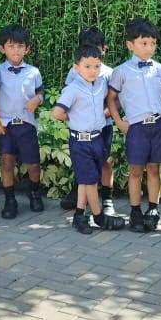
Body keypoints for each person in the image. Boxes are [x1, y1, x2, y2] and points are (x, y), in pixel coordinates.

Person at [53, 44, 127, 234]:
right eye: (87, 66)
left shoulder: (101, 84)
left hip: (97, 138)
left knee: (86, 180)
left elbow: (113, 99)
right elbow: (57, 113)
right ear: (76, 68)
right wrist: (75, 118)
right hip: (80, 141)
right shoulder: (73, 89)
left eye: (96, 66)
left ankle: (79, 215)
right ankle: (98, 216)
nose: (92, 70)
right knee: (91, 181)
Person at [106, 18, 161, 233]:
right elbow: (111, 98)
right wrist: (119, 121)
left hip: (158, 125)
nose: (149, 48)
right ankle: (134, 211)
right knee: (135, 170)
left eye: (153, 43)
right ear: (130, 45)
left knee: (154, 168)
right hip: (136, 127)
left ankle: (153, 209)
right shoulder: (121, 71)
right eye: (144, 43)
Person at [0, 24, 45, 218]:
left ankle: (34, 191)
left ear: (27, 49)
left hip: (26, 124)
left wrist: (38, 99)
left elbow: (40, 93)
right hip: (5, 125)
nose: (16, 50)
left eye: (20, 46)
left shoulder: (33, 72)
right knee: (7, 162)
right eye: (11, 46)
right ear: (2, 49)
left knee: (33, 163)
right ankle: (10, 200)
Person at [62, 28, 116, 215]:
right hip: (82, 129)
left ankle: (107, 198)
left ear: (104, 50)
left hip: (103, 126)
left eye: (96, 48)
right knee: (82, 160)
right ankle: (79, 193)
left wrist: (103, 115)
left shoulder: (108, 73)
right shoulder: (74, 72)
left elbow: (115, 101)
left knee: (104, 160)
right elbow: (67, 99)